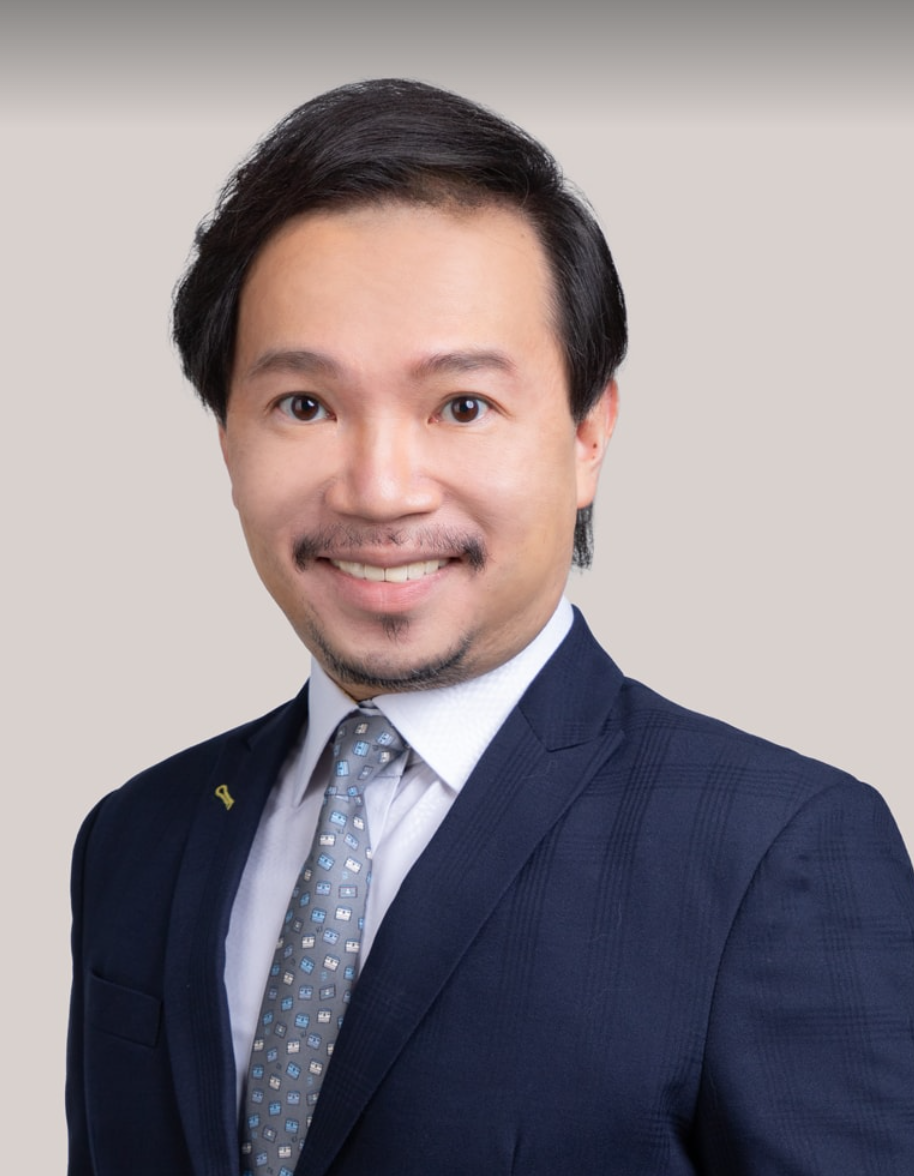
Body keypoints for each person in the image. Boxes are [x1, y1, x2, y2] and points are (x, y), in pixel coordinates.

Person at [67, 78, 914, 1176]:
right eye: (304, 406)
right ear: (226, 434)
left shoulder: (778, 851)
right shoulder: (138, 836)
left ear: (586, 433)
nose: (379, 490)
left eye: (460, 406)